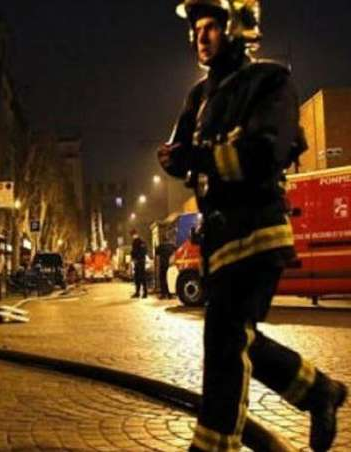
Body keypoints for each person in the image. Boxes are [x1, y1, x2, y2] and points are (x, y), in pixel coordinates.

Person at [159, 2, 346, 450]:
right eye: (196, 29)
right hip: (219, 241)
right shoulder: (198, 98)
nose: (201, 37)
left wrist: (199, 157)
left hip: (258, 233)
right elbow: (180, 152)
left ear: (237, 27)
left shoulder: (270, 82)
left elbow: (263, 154)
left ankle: (212, 445)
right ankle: (319, 391)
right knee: (235, 337)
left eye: (211, 26)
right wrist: (173, 159)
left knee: (224, 338)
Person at [156, 231, 177, 299]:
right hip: (170, 265)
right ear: (168, 239)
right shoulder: (172, 245)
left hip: (163, 265)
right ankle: (170, 294)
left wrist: (157, 266)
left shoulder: (160, 246)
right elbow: (176, 253)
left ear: (162, 239)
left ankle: (163, 294)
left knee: (162, 279)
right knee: (170, 279)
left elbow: (157, 257)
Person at [130, 230, 148, 298]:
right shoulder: (138, 241)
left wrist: (136, 258)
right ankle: (138, 292)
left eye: (133, 235)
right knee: (137, 277)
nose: (133, 236)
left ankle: (144, 293)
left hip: (140, 261)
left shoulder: (140, 241)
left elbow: (142, 251)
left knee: (142, 277)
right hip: (138, 261)